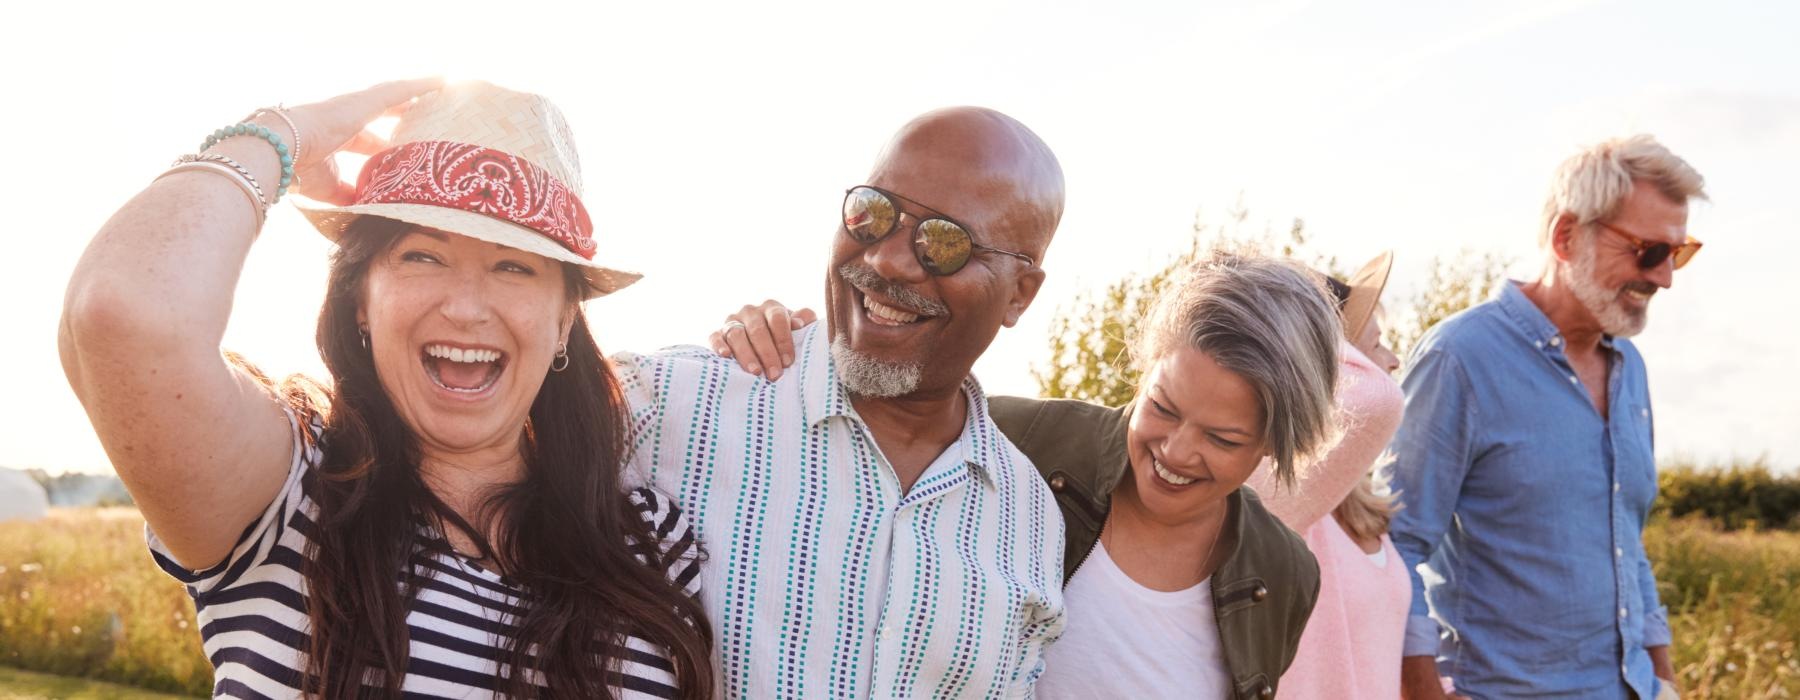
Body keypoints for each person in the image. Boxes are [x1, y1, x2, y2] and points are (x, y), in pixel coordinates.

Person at [59, 81, 711, 698]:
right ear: (361, 302)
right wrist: (287, 132)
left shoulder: (646, 539)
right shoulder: (290, 495)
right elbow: (126, 313)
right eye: (422, 255)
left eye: (513, 266)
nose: (466, 307)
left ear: (564, 322)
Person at [711, 246, 1341, 699]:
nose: (1175, 451)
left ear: (1274, 445)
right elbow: (851, 418)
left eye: (1222, 438)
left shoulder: (1284, 572)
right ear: (1144, 372)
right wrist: (776, 340)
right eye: (1162, 407)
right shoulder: (1016, 442)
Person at [611, 107, 1067, 698]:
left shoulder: (1032, 521)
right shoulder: (664, 408)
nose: (887, 260)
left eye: (945, 243)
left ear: (1020, 295)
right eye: (874, 214)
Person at [1383, 135, 1706, 700]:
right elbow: (1394, 547)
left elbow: (1628, 546)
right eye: (1649, 252)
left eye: (1678, 253)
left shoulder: (1630, 366)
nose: (1665, 278)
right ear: (1566, 236)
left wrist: (1666, 684)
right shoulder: (1458, 359)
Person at [1243, 252, 1410, 699]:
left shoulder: (1355, 503)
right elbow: (1378, 398)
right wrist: (1302, 329)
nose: (1392, 361)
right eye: (1374, 347)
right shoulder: (1281, 493)